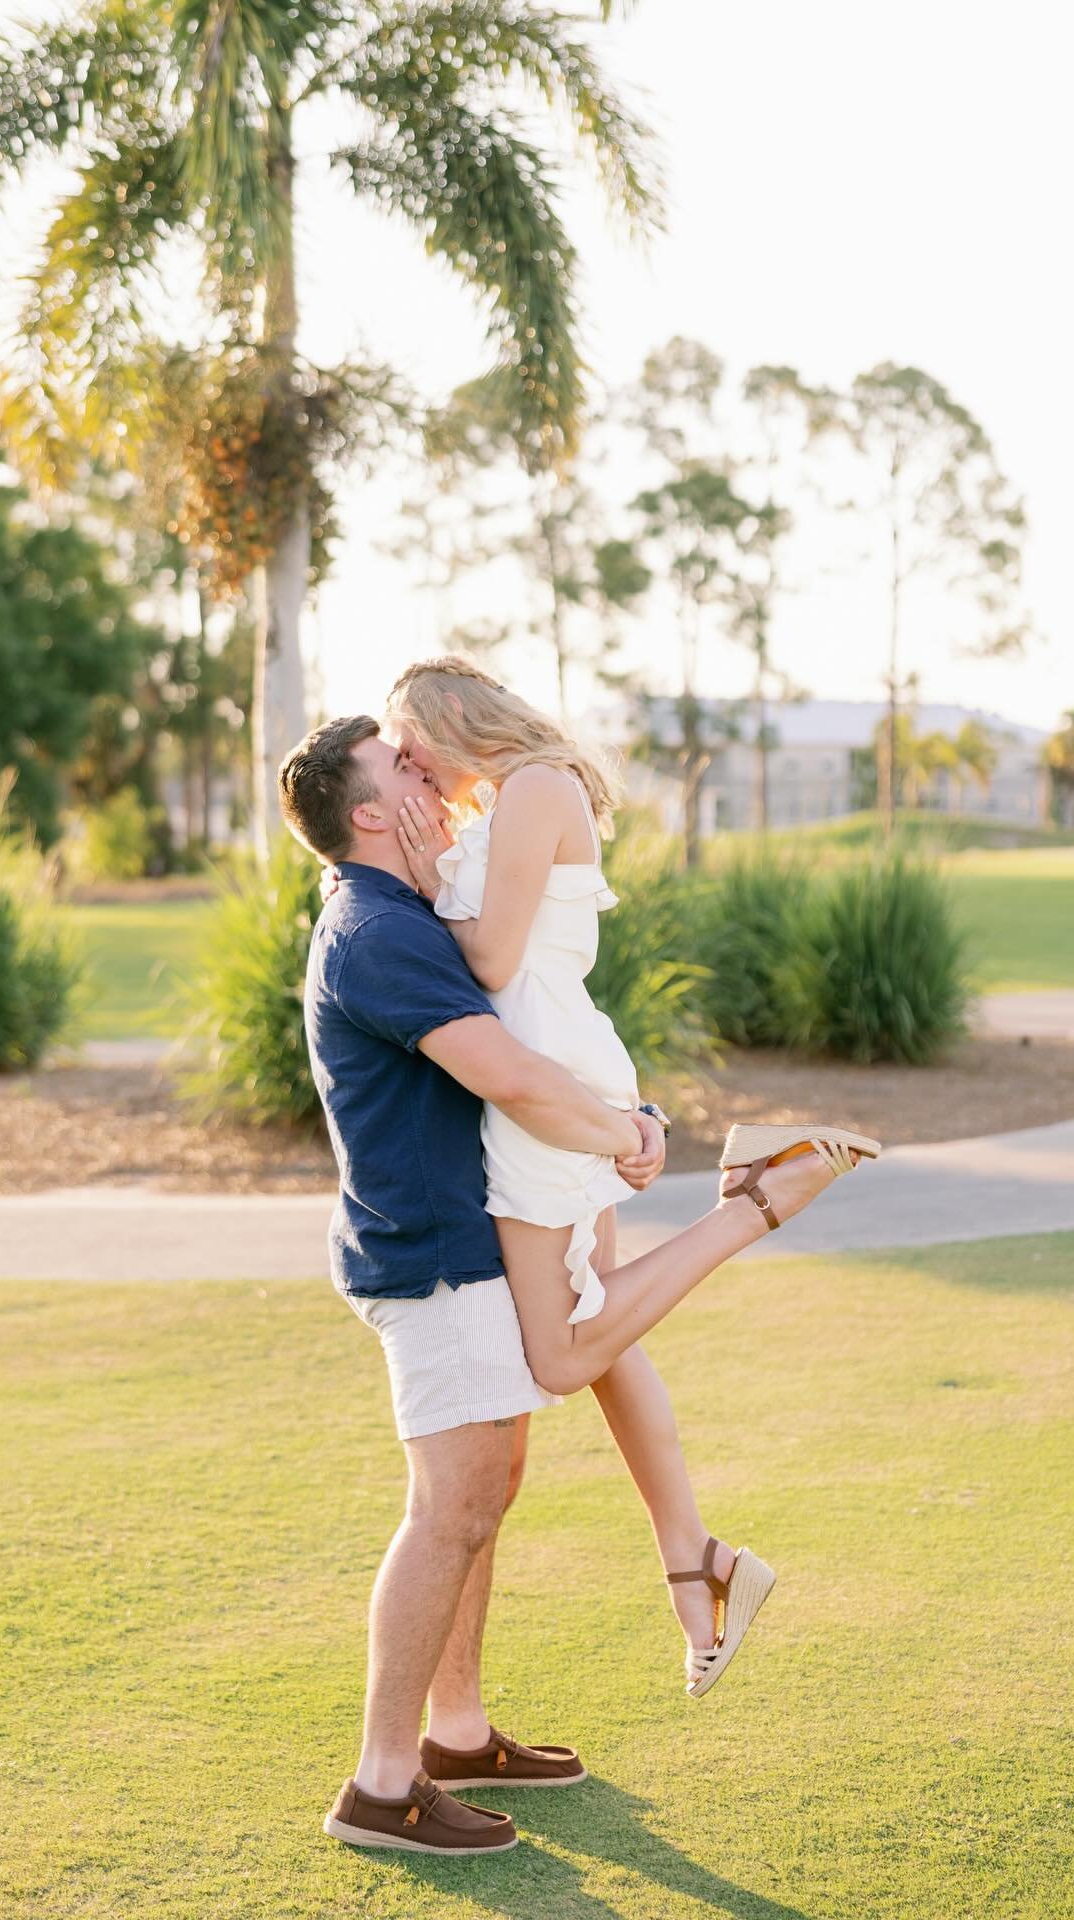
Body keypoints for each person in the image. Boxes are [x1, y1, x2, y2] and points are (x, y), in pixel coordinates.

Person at [278, 710, 872, 1855]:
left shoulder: (405, 912)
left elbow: (533, 1009)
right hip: (430, 1258)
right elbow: (508, 1073)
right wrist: (623, 1131)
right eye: (400, 767)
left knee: (483, 1495)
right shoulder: (374, 929)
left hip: (466, 1243)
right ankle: (382, 1784)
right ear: (366, 813)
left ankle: (455, 1730)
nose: (424, 769)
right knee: (452, 1507)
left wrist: (622, 1117)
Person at [381, 655, 878, 1697]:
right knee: (608, 1343)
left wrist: (427, 881)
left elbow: (492, 963)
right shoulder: (506, 801)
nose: (408, 774)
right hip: (561, 1070)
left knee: (562, 1355)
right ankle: (697, 1565)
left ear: (447, 720)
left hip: (547, 1090)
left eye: (411, 750)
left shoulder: (532, 790)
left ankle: (752, 1205)